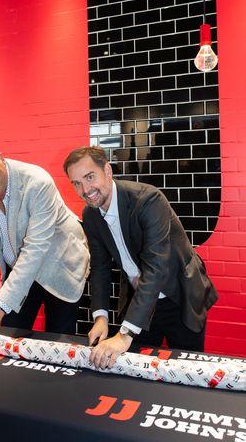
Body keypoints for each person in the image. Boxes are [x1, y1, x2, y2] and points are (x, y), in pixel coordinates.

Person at [63, 146, 218, 370]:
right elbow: (100, 267)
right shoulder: (90, 213)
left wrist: (125, 333)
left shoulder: (148, 200)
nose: (85, 189)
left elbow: (156, 267)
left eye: (89, 177)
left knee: (189, 370)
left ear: (107, 170)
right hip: (141, 301)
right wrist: (100, 317)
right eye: (76, 183)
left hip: (179, 295)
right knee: (137, 369)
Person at [0, 140, 90, 350]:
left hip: (59, 265)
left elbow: (35, 249)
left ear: (1, 158)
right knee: (9, 338)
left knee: (57, 346)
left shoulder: (37, 182)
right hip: (20, 269)